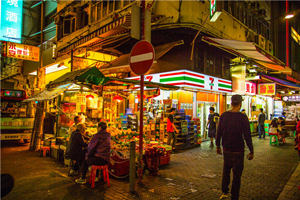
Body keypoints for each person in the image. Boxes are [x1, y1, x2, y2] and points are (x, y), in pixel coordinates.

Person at [216, 94, 254, 200]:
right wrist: (251, 150)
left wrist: (217, 146)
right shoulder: (243, 117)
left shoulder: (224, 116)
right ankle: (234, 195)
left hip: (227, 149)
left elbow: (219, 132)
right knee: (237, 175)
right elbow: (247, 135)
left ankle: (224, 192)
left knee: (226, 171)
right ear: (240, 104)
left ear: (231, 103)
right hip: (238, 150)